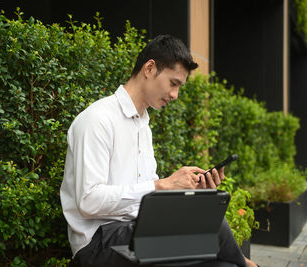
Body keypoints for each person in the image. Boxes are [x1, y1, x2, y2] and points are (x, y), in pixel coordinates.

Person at [60, 35, 258, 267]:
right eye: (173, 84)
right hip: (98, 242)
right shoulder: (98, 119)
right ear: (150, 68)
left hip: (138, 231)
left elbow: (147, 200)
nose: (175, 95)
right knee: (216, 226)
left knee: (221, 258)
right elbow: (88, 201)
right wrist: (162, 185)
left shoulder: (143, 125)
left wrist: (188, 189)